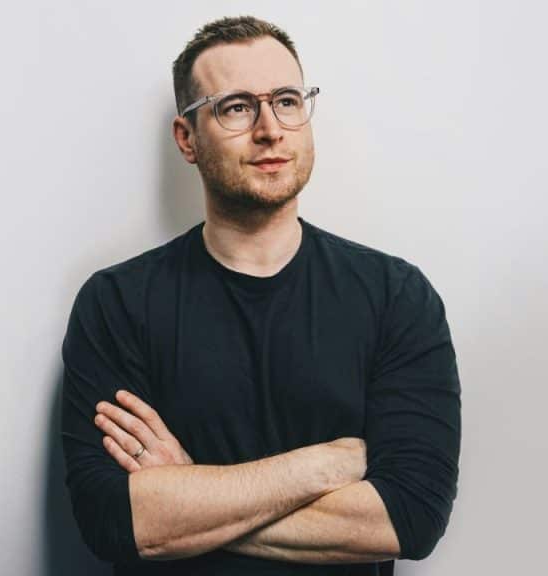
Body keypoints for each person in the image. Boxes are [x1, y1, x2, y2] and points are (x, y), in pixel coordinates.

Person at [60, 15, 461, 576]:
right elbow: (113, 521)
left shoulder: (397, 297)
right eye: (236, 107)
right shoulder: (116, 303)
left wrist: (187, 494)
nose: (270, 129)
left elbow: (409, 519)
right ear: (187, 139)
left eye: (288, 101)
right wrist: (325, 465)